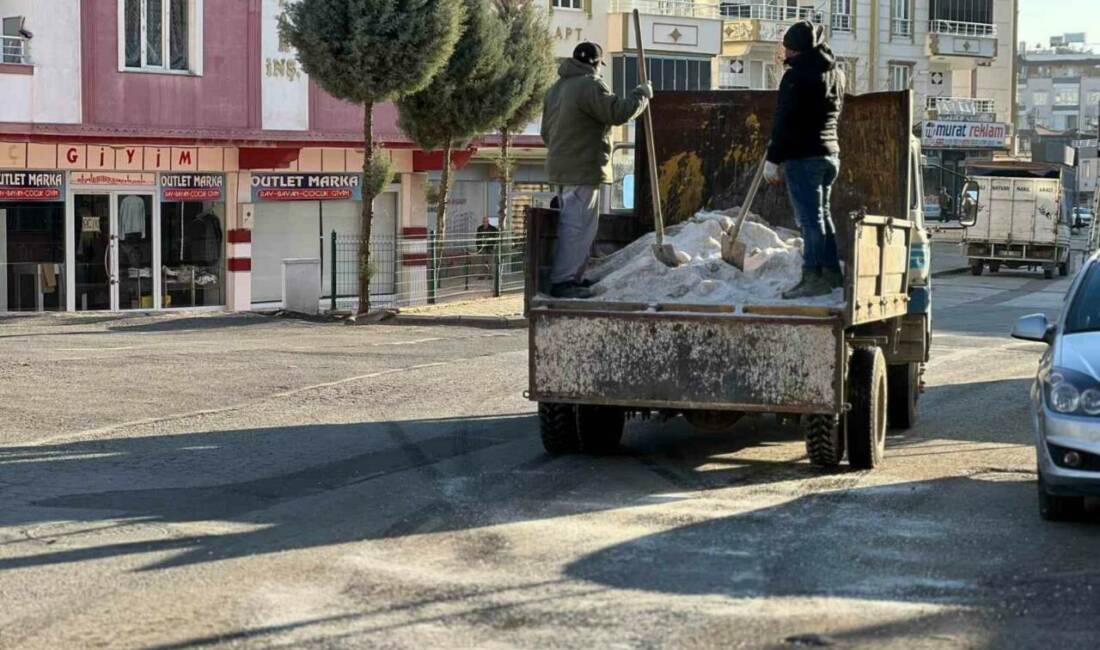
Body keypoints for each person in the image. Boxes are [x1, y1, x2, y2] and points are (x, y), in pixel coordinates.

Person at [540, 41, 652, 298]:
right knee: (577, 228)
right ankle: (563, 282)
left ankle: (572, 277)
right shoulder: (590, 85)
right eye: (600, 65)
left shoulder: (555, 90)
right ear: (594, 64)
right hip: (582, 169)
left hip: (560, 168)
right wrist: (641, 95)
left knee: (573, 225)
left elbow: (546, 133)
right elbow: (617, 112)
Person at [764, 20, 846, 300]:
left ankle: (813, 276)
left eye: (786, 47)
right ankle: (833, 272)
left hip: (804, 158)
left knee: (810, 221)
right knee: (823, 215)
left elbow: (784, 121)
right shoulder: (836, 73)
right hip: (830, 154)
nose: (784, 52)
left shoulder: (796, 77)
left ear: (796, 50)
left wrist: (772, 159)